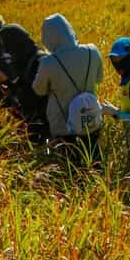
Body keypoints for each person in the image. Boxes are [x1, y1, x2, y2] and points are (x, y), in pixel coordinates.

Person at [31, 13, 106, 161]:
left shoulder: (48, 62)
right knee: (94, 159)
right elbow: (99, 79)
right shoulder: (92, 51)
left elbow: (38, 90)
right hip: (90, 116)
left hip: (62, 123)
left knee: (69, 164)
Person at [0, 15, 48, 140]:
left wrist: (8, 83)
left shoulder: (37, 62)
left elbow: (31, 94)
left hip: (41, 126)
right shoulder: (27, 57)